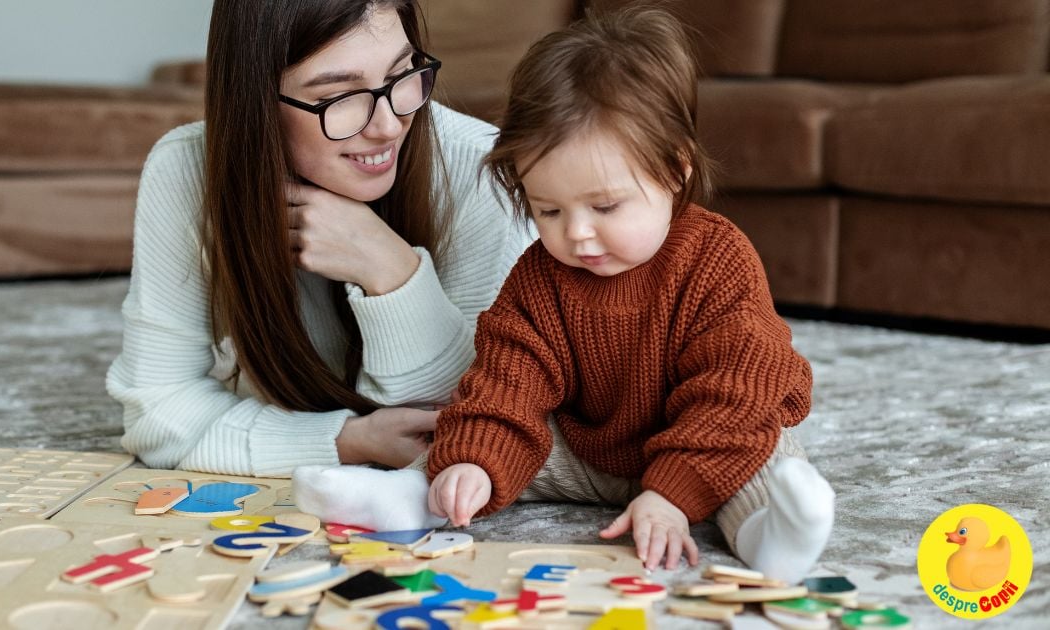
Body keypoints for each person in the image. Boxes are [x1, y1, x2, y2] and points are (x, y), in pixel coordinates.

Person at [295, 6, 835, 583]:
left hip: (696, 438)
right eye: (548, 209)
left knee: (764, 451)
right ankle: (409, 497)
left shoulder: (715, 258)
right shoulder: (541, 275)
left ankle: (769, 537)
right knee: (488, 434)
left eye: (605, 207)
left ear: (674, 171)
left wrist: (672, 495)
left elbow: (738, 387)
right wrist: (472, 461)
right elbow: (510, 377)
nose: (576, 233)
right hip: (590, 453)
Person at [107, 0, 532, 479]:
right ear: (257, 100)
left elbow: (470, 425)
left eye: (402, 74)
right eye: (340, 96)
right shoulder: (186, 169)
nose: (389, 126)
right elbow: (157, 415)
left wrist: (390, 271)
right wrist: (346, 440)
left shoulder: (482, 171)